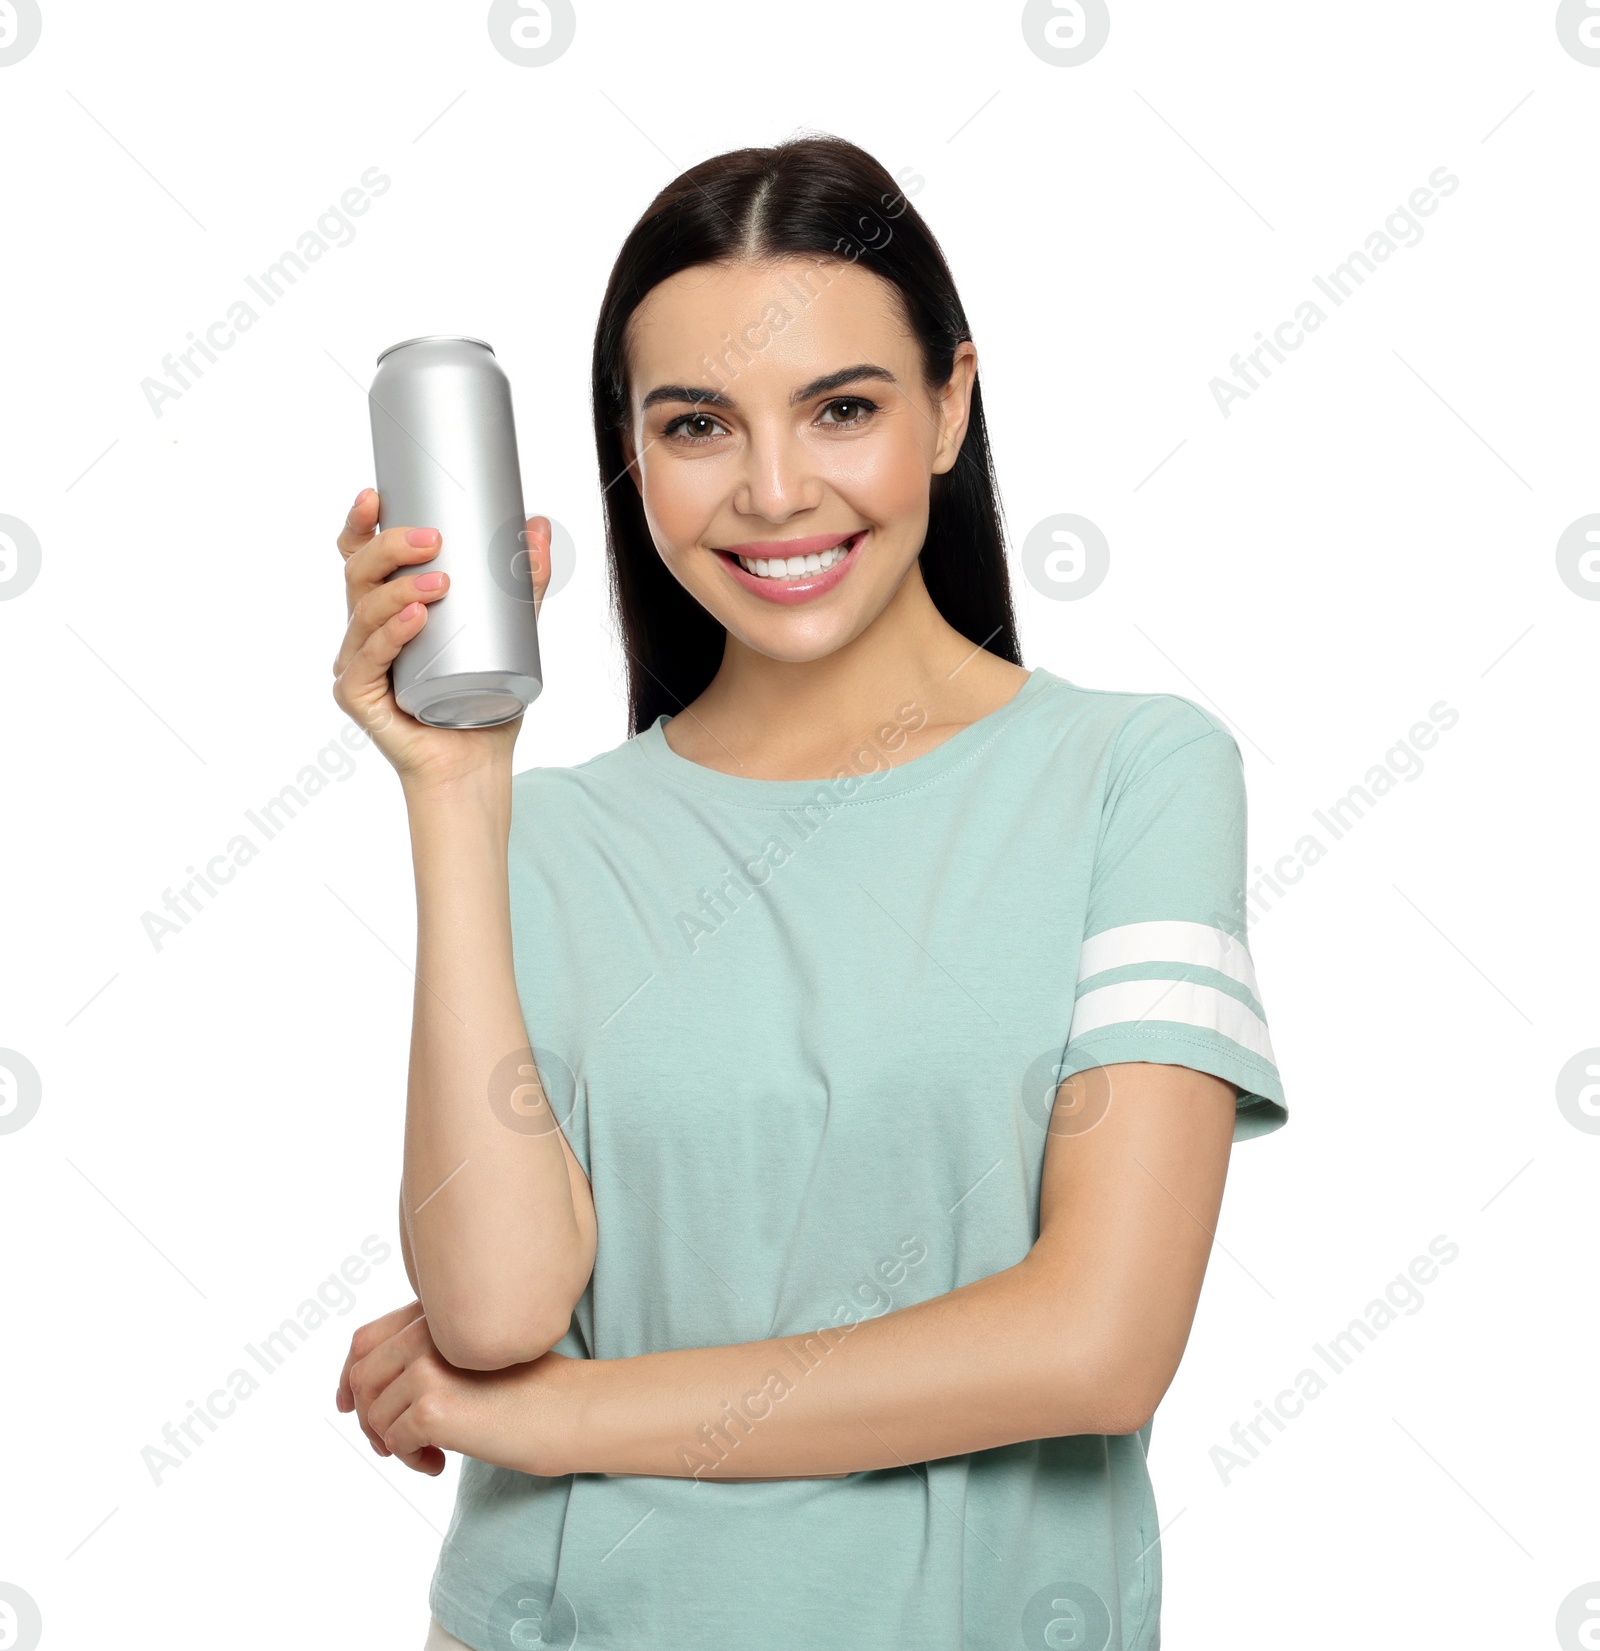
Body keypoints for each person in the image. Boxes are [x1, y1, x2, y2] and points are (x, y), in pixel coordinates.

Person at [330, 132, 1289, 1651]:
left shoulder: (1133, 775)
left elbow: (1096, 1345)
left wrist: (567, 1418)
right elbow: (498, 1313)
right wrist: (456, 790)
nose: (776, 493)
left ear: (950, 406)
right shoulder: (549, 834)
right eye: (698, 424)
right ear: (630, 457)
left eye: (841, 409)